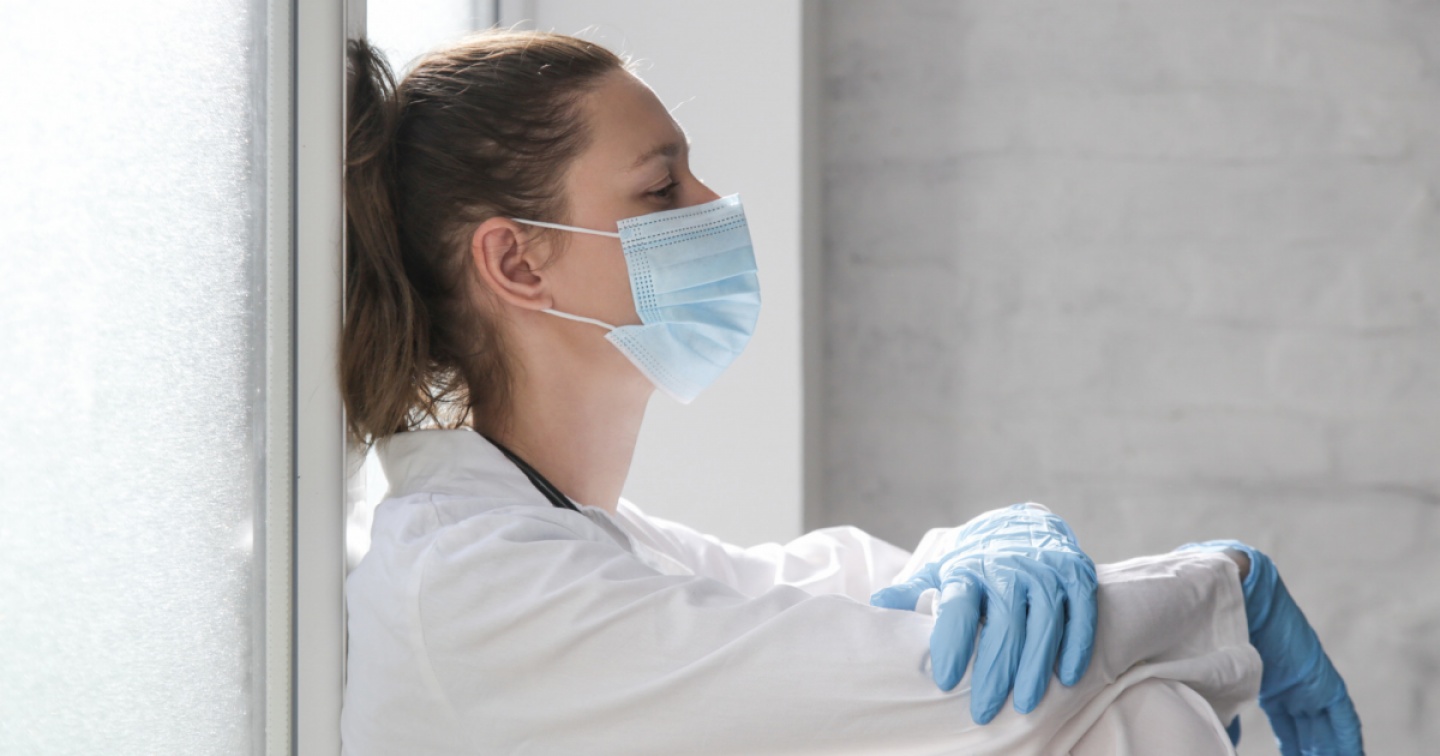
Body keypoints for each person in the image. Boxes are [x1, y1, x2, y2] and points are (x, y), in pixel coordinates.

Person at [339, 30, 1361, 755]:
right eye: (660, 188)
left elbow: (839, 593)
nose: (714, 206)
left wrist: (982, 549)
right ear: (518, 265)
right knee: (1122, 716)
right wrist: (1225, 592)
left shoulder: (585, 536)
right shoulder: (473, 581)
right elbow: (970, 693)